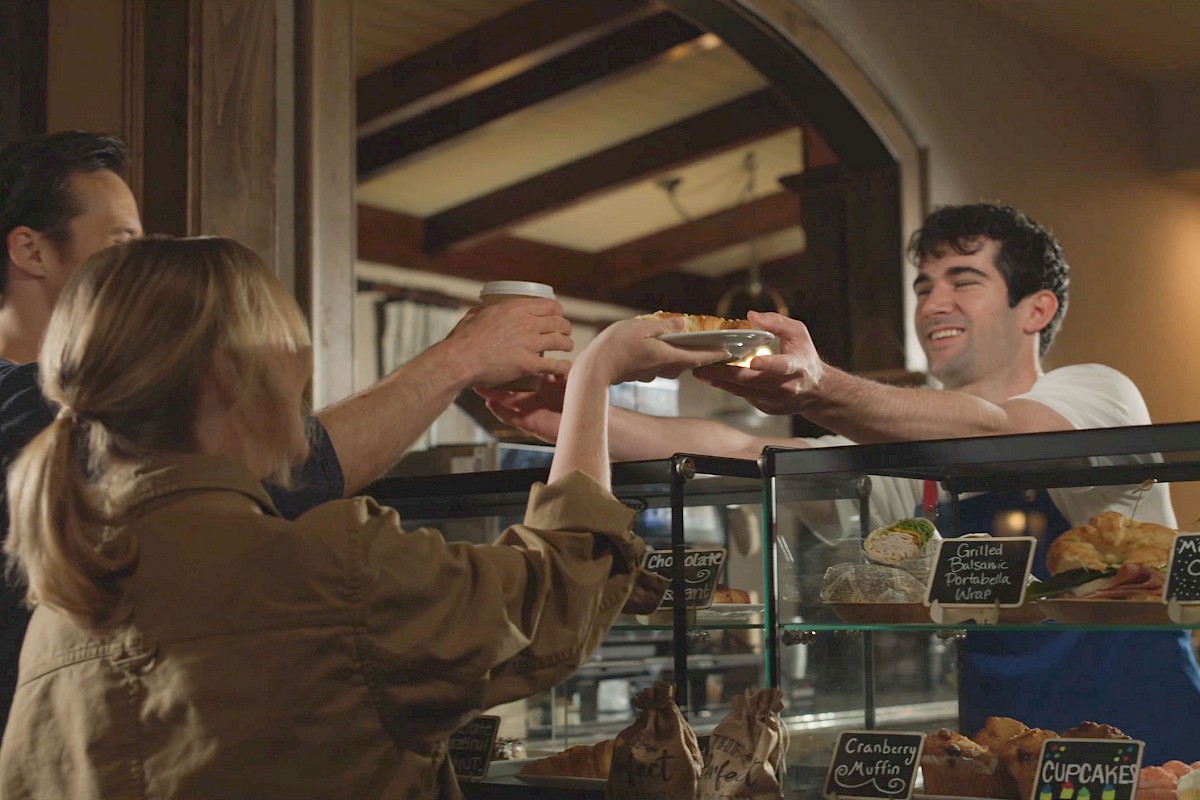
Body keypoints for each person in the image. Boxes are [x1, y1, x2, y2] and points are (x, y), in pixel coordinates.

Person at [0, 236, 727, 798]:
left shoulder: (59, 612)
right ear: (228, 379)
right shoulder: (327, 568)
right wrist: (596, 374)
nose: (302, 381)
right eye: (291, 353)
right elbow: (558, 589)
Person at [482, 203, 1200, 761]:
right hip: (997, 746)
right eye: (924, 285)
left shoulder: (1097, 391)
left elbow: (999, 433)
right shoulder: (909, 455)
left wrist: (818, 384)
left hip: (1150, 738)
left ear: (1036, 309)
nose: (933, 302)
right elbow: (747, 449)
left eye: (964, 280)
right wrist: (574, 412)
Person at [0, 131, 574, 738]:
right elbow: (295, 475)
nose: (141, 265)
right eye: (121, 244)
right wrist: (461, 360)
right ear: (31, 251)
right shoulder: (36, 408)